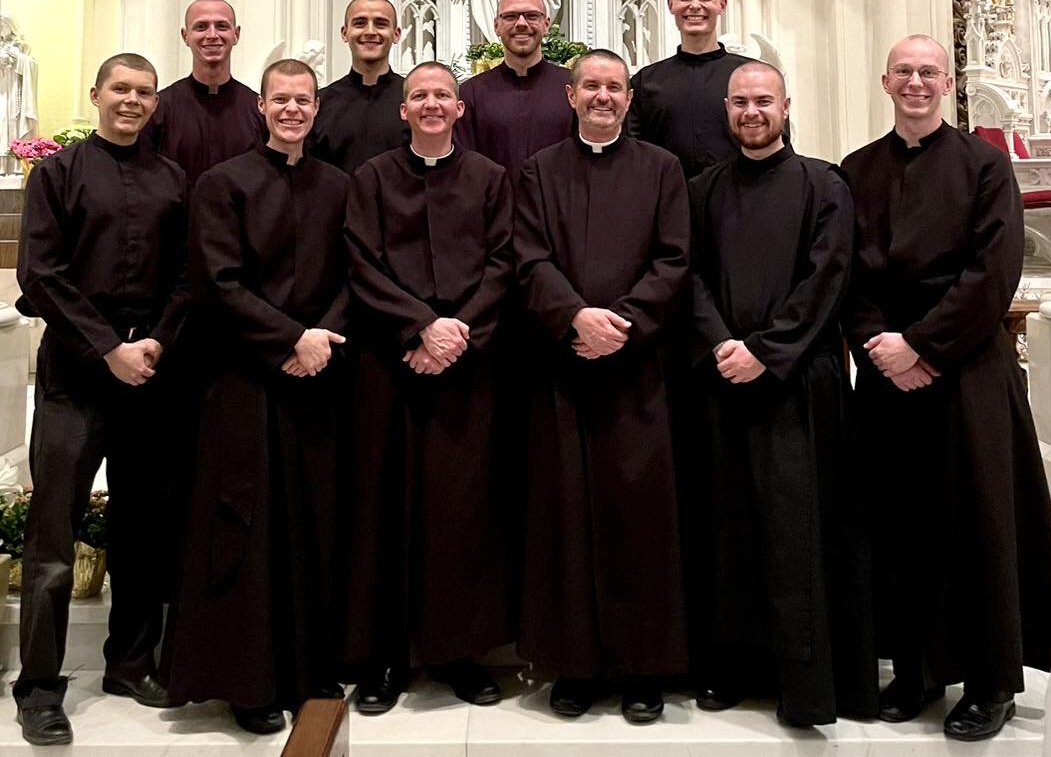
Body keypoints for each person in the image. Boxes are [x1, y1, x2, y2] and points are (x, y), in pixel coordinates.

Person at [841, 34, 1051, 741]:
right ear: (884, 82)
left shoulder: (986, 166)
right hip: (884, 371)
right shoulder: (857, 168)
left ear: (945, 85)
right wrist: (881, 344)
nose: (916, 82)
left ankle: (990, 681)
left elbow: (993, 273)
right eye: (904, 71)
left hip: (965, 370)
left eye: (927, 72)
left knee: (979, 523)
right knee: (897, 524)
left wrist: (921, 345)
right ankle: (914, 670)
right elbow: (847, 274)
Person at [162, 60, 351, 736]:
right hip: (243, 374)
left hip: (316, 377)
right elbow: (218, 281)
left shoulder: (338, 185)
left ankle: (308, 665)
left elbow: (355, 271)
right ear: (261, 108)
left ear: (316, 108)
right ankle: (245, 678)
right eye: (282, 99)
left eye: (304, 99)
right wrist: (290, 339)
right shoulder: (223, 184)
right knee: (246, 522)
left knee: (310, 519)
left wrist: (322, 337)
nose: (294, 109)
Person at [685, 62, 877, 727]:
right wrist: (720, 345)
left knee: (799, 534)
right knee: (729, 528)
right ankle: (735, 667)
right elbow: (690, 279)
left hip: (799, 381)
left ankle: (809, 681)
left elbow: (829, 276)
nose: (752, 111)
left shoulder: (824, 183)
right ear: (727, 110)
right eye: (740, 102)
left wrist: (765, 351)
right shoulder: (703, 188)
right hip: (724, 378)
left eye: (763, 100)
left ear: (785, 104)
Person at [14, 54, 189, 747]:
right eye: (122, 89)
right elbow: (41, 274)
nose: (134, 101)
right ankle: (38, 687)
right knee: (53, 538)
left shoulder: (172, 179)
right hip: (76, 377)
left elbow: (187, 275)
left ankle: (130, 663)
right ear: (96, 95)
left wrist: (154, 346)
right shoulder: (56, 174)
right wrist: (107, 347)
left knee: (143, 532)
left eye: (145, 93)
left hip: (147, 377)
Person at [515, 49, 689, 725]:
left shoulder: (663, 169)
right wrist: (574, 317)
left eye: (614, 87)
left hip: (637, 368)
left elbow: (676, 257)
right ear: (571, 94)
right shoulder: (538, 171)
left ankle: (643, 668)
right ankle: (574, 667)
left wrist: (624, 322)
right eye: (591, 86)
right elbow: (528, 255)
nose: (603, 96)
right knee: (566, 516)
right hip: (564, 364)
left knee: (639, 520)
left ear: (629, 97)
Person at [342, 62, 512, 714]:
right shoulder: (373, 178)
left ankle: (459, 653)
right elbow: (360, 260)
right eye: (421, 96)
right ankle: (385, 657)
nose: (433, 104)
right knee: (386, 512)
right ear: (403, 110)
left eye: (444, 95)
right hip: (392, 364)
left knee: (461, 513)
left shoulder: (490, 179)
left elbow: (503, 262)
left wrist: (456, 331)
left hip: (466, 367)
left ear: (460, 109)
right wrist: (417, 328)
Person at [627, 0, 750, 178]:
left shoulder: (750, 76)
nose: (695, 5)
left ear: (722, 5)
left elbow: (774, 146)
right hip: (669, 203)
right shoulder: (645, 83)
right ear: (670, 5)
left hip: (740, 202)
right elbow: (635, 156)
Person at [455, 0, 574, 182]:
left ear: (546, 25)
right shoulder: (470, 94)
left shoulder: (573, 89)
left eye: (531, 16)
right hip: (493, 210)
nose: (521, 23)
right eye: (510, 16)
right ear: (496, 26)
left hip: (558, 209)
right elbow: (465, 167)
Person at [147, 0, 263, 186]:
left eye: (221, 26)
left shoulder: (258, 109)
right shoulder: (159, 108)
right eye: (201, 27)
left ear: (236, 34)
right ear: (185, 36)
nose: (212, 35)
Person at [311, 0, 406, 175]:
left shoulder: (416, 103)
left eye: (381, 23)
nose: (370, 31)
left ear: (396, 34)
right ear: (344, 33)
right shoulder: (320, 103)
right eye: (360, 23)